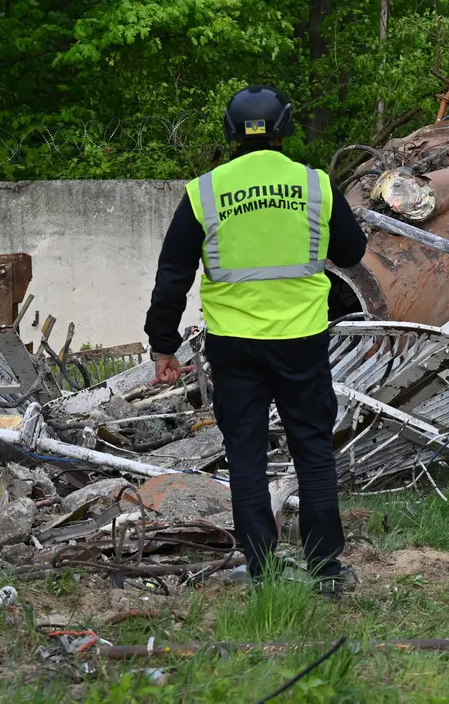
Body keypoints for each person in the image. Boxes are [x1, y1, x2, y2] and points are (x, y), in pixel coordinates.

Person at [144, 85, 368, 592]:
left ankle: (263, 570)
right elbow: (352, 253)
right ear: (286, 128)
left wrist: (163, 342)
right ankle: (326, 570)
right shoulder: (315, 185)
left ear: (230, 131)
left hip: (234, 344)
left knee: (244, 454)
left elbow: (173, 273)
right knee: (312, 449)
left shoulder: (206, 190)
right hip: (302, 340)